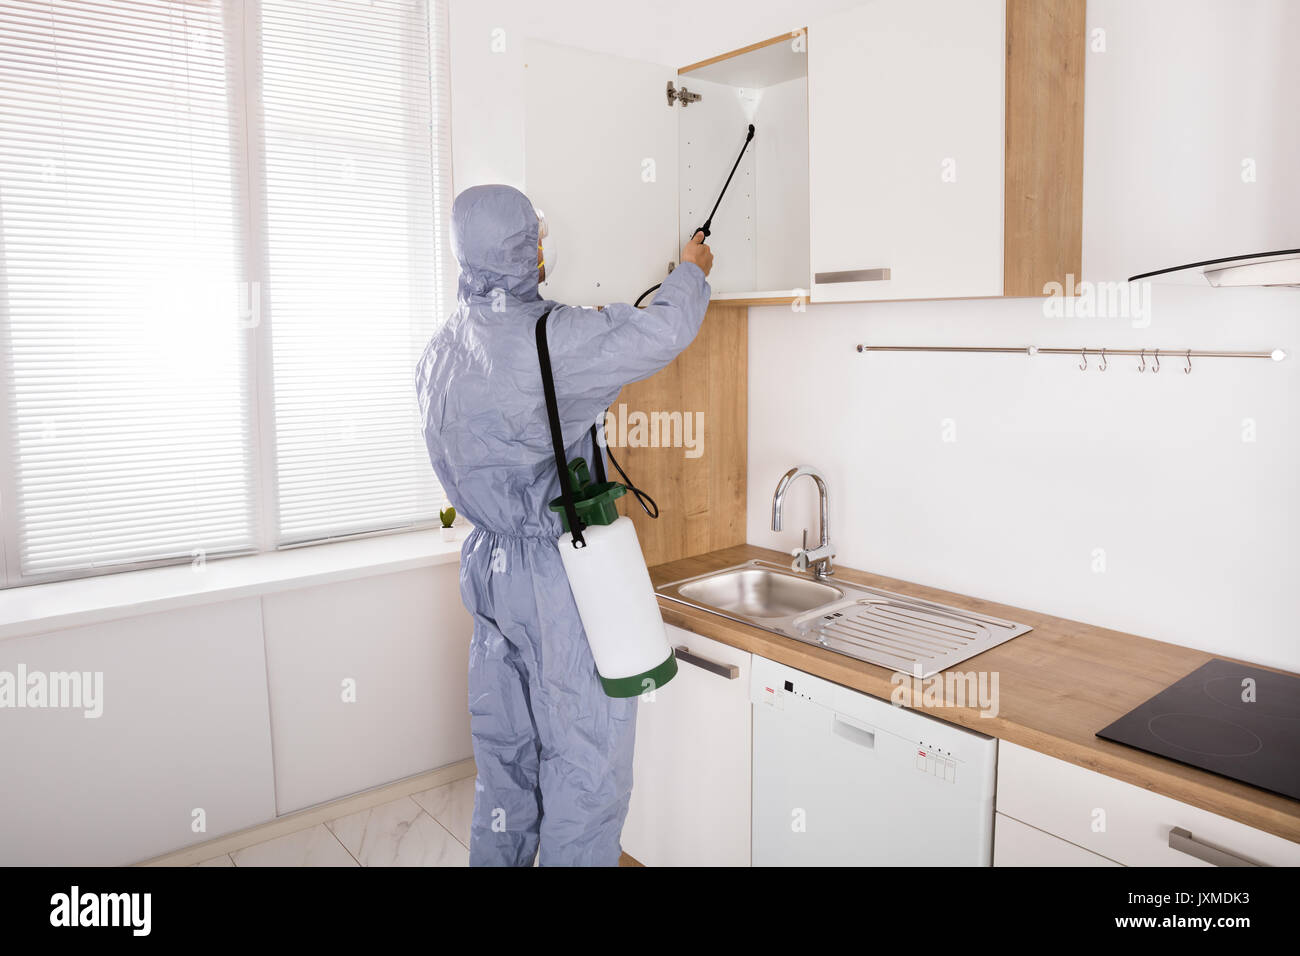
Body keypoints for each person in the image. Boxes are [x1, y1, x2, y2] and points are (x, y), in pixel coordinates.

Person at [415, 184, 713, 866]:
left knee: (506, 763)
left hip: (487, 570)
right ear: (523, 248)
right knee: (585, 766)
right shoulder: (554, 339)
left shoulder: (443, 348)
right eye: (537, 235)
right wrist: (691, 271)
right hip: (556, 576)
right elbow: (662, 331)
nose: (544, 245)